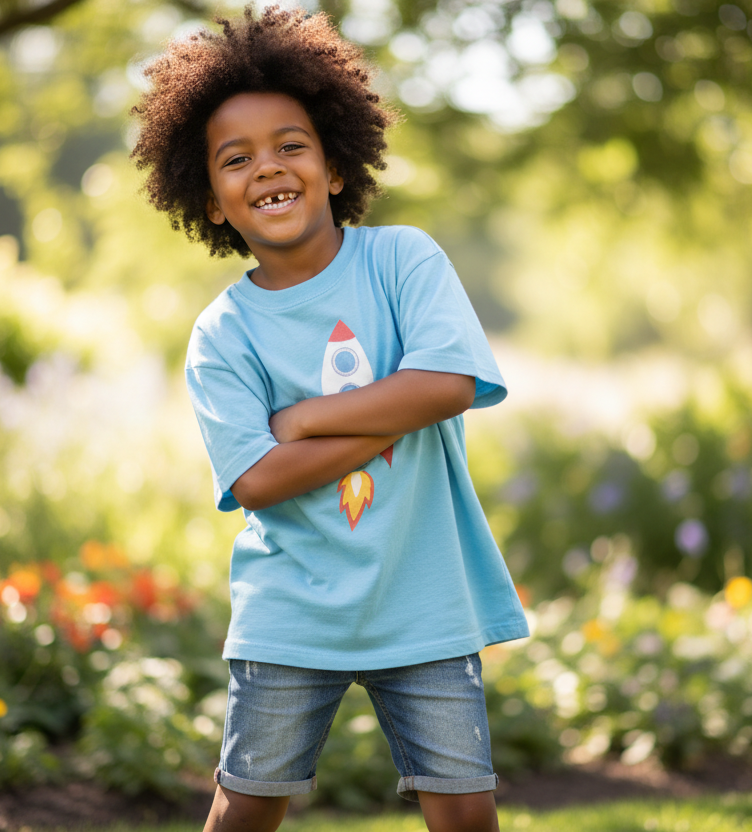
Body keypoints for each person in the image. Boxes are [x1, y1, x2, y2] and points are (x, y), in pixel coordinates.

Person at [130, 7, 529, 831]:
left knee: (466, 812)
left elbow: (450, 383)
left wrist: (308, 418)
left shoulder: (403, 260)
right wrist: (393, 409)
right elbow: (256, 479)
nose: (268, 168)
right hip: (290, 610)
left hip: (424, 599)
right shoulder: (222, 334)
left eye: (291, 146)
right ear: (211, 201)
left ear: (336, 166)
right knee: (247, 808)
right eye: (236, 159)